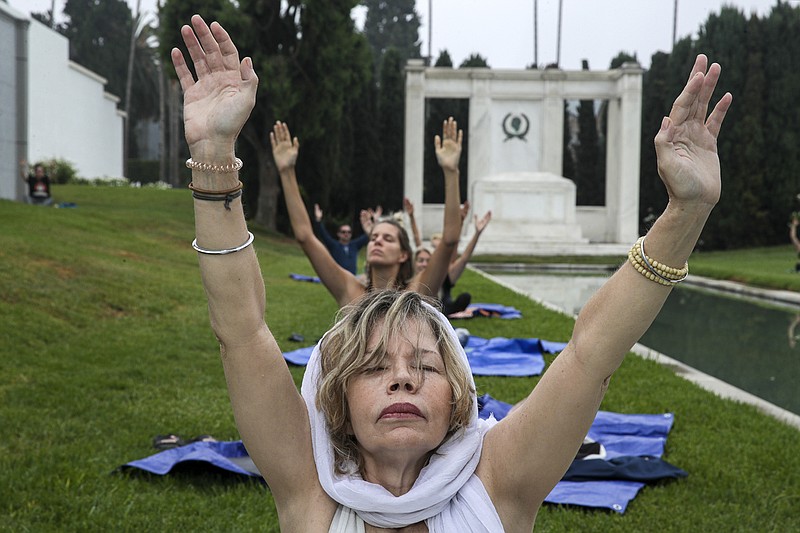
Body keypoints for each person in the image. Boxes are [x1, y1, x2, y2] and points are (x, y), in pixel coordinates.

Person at [171, 15, 730, 531]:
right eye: (372, 368)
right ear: (335, 400)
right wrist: (215, 150)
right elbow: (242, 332)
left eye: (425, 366)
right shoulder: (311, 494)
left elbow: (591, 353)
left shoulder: (500, 485)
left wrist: (686, 212)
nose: (403, 380)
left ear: (458, 399)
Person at [270, 115, 461, 308]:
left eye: (388, 239)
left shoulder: (416, 294)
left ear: (403, 255)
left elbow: (449, 240)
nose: (377, 241)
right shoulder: (349, 291)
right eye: (374, 237)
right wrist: (286, 172)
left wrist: (451, 171)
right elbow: (305, 237)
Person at [313, 203, 369, 275]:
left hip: (352, 277)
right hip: (338, 278)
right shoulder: (334, 245)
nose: (346, 234)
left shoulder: (355, 245)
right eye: (343, 232)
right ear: (338, 234)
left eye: (349, 232)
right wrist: (318, 219)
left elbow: (368, 235)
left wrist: (375, 222)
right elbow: (323, 234)